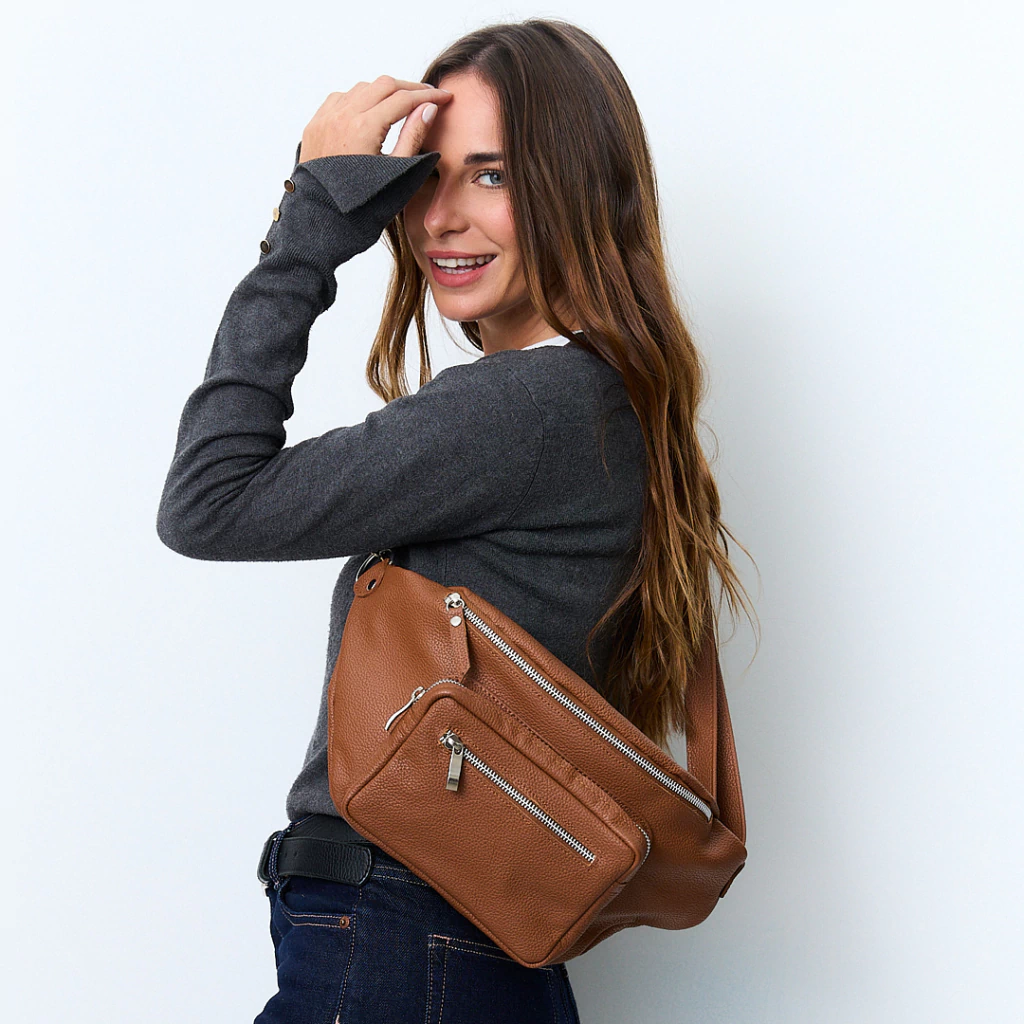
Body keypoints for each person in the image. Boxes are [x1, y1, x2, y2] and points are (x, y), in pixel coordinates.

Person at [156, 16, 756, 1024]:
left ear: (578, 186)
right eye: (426, 178)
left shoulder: (526, 406)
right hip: (461, 947)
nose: (438, 218)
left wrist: (312, 214)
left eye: (491, 176)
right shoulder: (605, 399)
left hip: (399, 941)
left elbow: (206, 499)